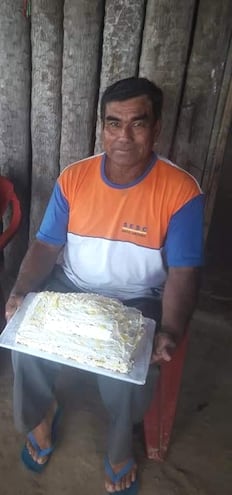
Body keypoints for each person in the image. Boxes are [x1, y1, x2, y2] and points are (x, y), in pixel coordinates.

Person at [6, 77, 204, 494]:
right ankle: (42, 419)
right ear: (102, 127)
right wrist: (20, 292)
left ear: (157, 127)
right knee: (24, 342)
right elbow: (46, 244)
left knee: (129, 374)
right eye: (114, 123)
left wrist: (169, 329)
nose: (124, 136)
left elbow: (184, 272)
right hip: (72, 285)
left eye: (138, 123)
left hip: (139, 298)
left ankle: (119, 449)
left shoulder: (181, 190)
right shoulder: (75, 178)